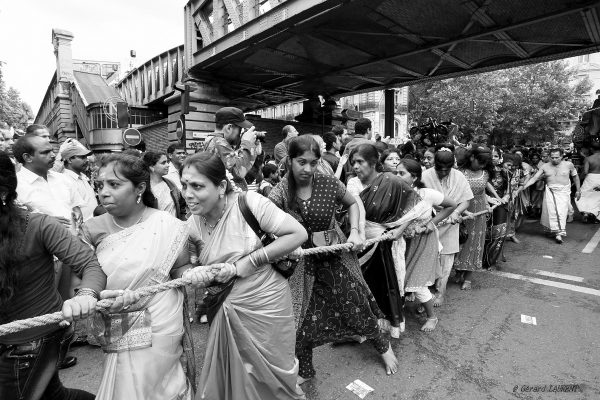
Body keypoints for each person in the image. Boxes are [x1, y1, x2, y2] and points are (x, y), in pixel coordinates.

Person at [268, 136, 399, 383]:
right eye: (301, 162)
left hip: (335, 255)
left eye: (313, 163)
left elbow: (353, 204)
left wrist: (356, 231)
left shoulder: (329, 183)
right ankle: (305, 370)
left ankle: (383, 346)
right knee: (300, 320)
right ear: (289, 161)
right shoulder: (279, 193)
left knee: (355, 301)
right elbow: (266, 225)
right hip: (301, 265)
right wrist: (283, 244)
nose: (307, 169)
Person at [182, 152, 306, 400]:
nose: (187, 193)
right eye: (185, 185)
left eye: (197, 186)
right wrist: (195, 273)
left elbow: (297, 234)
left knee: (275, 371)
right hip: (225, 308)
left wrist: (250, 261)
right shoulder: (192, 223)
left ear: (221, 187)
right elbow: (185, 268)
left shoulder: (249, 203)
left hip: (267, 304)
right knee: (234, 376)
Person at [81, 153, 199, 399]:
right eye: (100, 185)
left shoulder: (166, 223)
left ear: (140, 188)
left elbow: (180, 269)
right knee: (125, 381)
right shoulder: (91, 228)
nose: (103, 192)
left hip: (161, 317)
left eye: (114, 184)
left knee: (160, 383)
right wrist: (97, 297)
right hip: (115, 314)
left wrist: (194, 275)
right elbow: (79, 282)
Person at [0, 150, 106, 400]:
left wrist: (86, 295)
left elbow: (90, 264)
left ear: (3, 192)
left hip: (31, 342)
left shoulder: (38, 225)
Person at [397, 159, 456, 332]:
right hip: (403, 243)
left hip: (424, 243)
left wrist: (432, 223)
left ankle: (432, 317)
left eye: (402, 173)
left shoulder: (426, 194)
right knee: (402, 278)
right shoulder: (396, 193)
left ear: (414, 177)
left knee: (418, 283)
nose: (397, 176)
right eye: (396, 172)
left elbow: (451, 205)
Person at [422, 145, 473, 306]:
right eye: (439, 169)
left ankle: (440, 293)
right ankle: (426, 297)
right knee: (428, 261)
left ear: (453, 166)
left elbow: (466, 200)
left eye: (447, 170)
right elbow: (418, 200)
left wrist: (456, 212)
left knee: (446, 262)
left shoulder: (459, 176)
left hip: (450, 225)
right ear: (434, 164)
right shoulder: (424, 176)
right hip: (429, 224)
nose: (443, 173)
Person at [454, 146, 502, 289]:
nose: (481, 166)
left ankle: (468, 277)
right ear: (471, 157)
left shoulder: (485, 173)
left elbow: (481, 192)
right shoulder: (459, 172)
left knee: (475, 244)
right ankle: (458, 270)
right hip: (462, 209)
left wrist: (487, 205)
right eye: (480, 162)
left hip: (479, 212)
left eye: (484, 163)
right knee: (460, 242)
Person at [520, 148, 580, 243]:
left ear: (562, 156)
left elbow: (575, 177)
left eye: (557, 157)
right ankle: (555, 231)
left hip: (564, 191)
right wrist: (522, 187)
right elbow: (534, 178)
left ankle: (559, 232)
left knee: (561, 212)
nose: (554, 159)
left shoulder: (569, 165)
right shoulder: (545, 166)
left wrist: (578, 190)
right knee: (551, 212)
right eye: (552, 157)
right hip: (550, 191)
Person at [205, 107, 259, 191]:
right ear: (229, 128)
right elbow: (239, 172)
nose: (241, 133)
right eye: (240, 129)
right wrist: (247, 143)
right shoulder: (219, 143)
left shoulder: (213, 141)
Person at [482, 147, 511, 269]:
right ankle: (481, 260)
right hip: (486, 204)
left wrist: (505, 198)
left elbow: (509, 190)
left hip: (501, 206)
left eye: (496, 156)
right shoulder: (483, 171)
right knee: (485, 233)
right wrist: (493, 197)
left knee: (499, 233)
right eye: (491, 156)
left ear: (500, 158)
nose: (493, 158)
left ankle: (492, 261)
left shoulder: (505, 172)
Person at [142, 151, 187, 219]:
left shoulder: (170, 184)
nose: (168, 165)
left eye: (167, 161)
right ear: (151, 167)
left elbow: (181, 206)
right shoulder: (143, 188)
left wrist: (182, 220)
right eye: (163, 163)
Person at [61, 143, 98, 222]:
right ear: (70, 160)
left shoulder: (83, 177)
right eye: (82, 157)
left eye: (86, 157)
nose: (87, 160)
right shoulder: (64, 180)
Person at [576, 141, 600, 222]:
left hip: (591, 178)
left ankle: (586, 212)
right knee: (597, 197)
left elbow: (585, 172)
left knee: (583, 195)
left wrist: (578, 178)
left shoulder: (588, 159)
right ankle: (595, 214)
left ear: (591, 149)